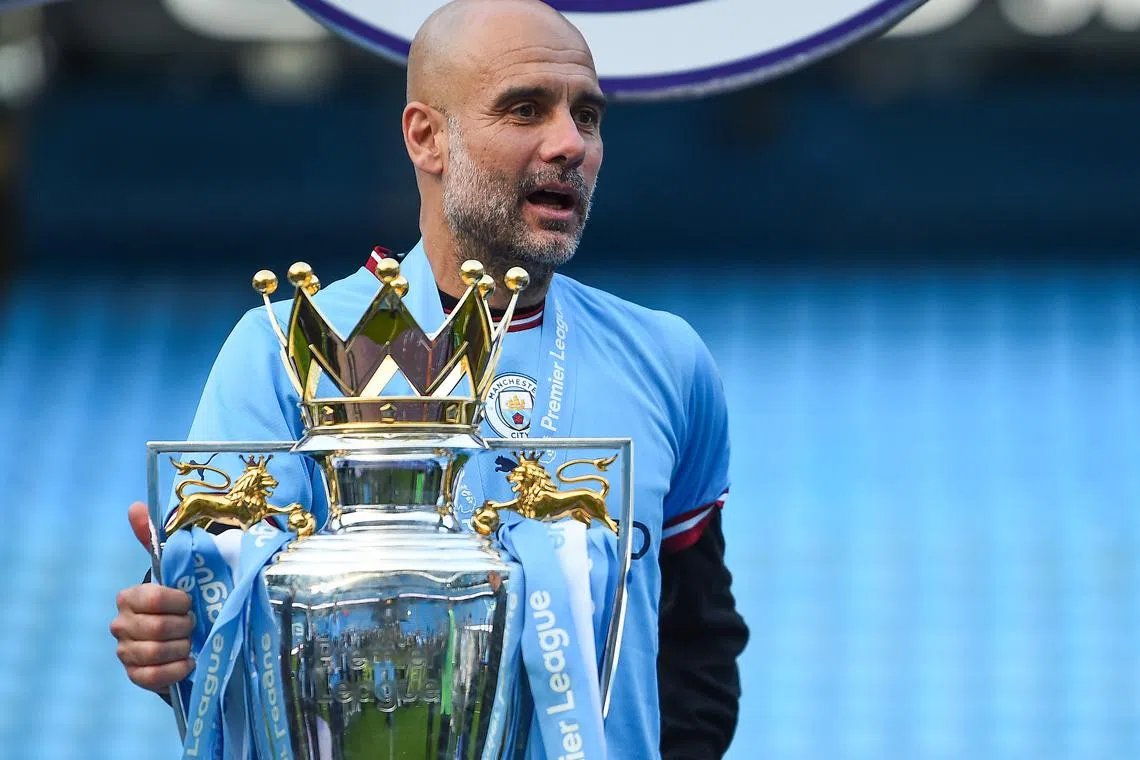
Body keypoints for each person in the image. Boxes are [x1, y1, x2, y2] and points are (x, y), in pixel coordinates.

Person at [109, 0, 748, 757]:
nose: (571, 143)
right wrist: (172, 635)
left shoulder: (668, 361)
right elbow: (225, 620)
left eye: (588, 114)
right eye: (525, 109)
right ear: (426, 137)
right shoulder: (284, 352)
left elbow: (697, 640)